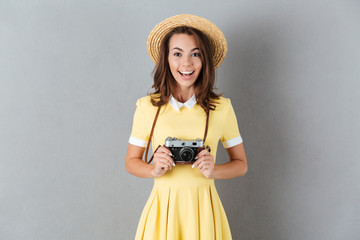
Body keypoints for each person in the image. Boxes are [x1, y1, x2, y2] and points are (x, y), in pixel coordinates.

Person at [125, 14, 248, 240]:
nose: (186, 64)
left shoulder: (222, 108)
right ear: (166, 59)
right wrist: (153, 169)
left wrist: (214, 170)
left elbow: (241, 165)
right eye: (177, 54)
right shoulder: (147, 107)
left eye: (195, 54)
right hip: (163, 209)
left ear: (204, 61)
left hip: (205, 211)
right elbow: (131, 162)